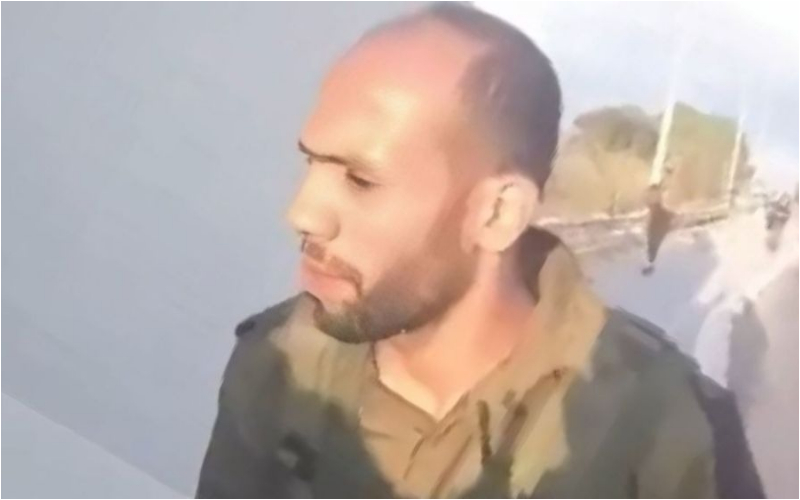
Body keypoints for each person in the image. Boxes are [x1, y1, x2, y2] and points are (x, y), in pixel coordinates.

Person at [197, 4, 762, 498]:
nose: (301, 213)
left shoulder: (663, 429)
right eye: (311, 162)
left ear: (496, 214)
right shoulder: (278, 364)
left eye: (360, 181)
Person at [642, 182, 675, 276]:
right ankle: (651, 264)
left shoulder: (657, 209)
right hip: (657, 227)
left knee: (653, 245)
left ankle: (651, 265)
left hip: (657, 228)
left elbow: (653, 206)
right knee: (653, 245)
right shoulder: (658, 208)